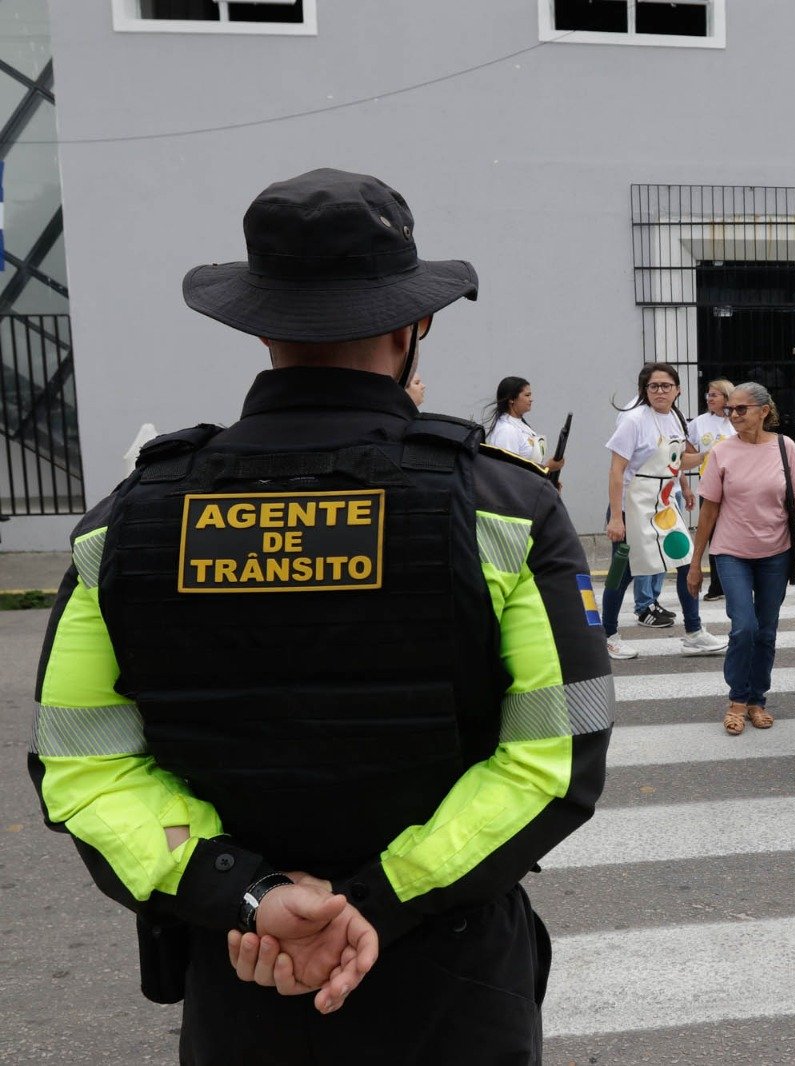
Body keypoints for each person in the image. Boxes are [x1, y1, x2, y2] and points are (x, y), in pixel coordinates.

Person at [26, 169, 612, 1064]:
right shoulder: (502, 508)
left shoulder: (128, 521)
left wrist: (251, 894)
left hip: (245, 970)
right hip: (450, 979)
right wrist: (376, 901)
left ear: (263, 324)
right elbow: (552, 757)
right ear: (413, 325)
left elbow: (84, 766)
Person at [685, 382, 795, 734]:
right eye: (730, 410)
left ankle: (758, 699)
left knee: (767, 631)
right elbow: (708, 512)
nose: (733, 415)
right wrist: (696, 564)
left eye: (741, 409)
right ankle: (737, 699)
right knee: (744, 627)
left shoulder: (785, 447)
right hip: (731, 553)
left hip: (777, 551)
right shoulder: (722, 453)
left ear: (764, 411)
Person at [602, 363, 726, 660]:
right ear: (645, 391)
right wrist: (616, 517)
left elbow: (678, 460)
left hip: (664, 506)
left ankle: (694, 632)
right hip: (632, 507)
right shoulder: (633, 421)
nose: (660, 391)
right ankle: (608, 635)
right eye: (654, 386)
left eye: (666, 385)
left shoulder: (676, 417)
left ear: (678, 390)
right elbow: (616, 472)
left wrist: (711, 454)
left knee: (686, 561)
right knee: (623, 573)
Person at [684, 379, 735, 602]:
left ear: (726, 397)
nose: (710, 398)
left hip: (736, 486)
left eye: (715, 394)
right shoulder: (699, 423)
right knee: (712, 534)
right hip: (710, 484)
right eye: (708, 394)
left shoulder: (736, 420)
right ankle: (718, 584)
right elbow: (688, 450)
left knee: (734, 533)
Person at [484, 375, 565, 475]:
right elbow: (508, 472)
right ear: (511, 399)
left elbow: (528, 465)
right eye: (527, 395)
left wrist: (547, 480)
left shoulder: (521, 425)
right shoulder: (506, 431)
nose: (531, 399)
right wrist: (546, 468)